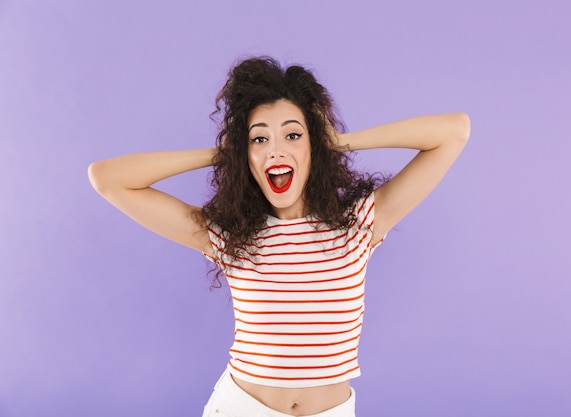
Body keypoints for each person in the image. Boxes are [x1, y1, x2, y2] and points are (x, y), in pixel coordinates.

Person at [88, 56, 470, 417]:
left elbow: (454, 131)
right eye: (259, 140)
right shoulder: (228, 236)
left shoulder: (358, 224)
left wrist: (337, 141)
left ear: (312, 146)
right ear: (247, 158)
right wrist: (224, 152)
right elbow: (107, 178)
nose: (275, 151)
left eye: (292, 135)